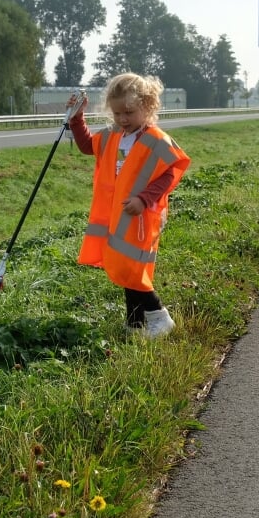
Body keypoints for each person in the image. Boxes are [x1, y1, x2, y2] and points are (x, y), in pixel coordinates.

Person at [66, 74, 191, 337]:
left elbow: (169, 174)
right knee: (124, 263)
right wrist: (77, 119)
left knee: (132, 266)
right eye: (117, 113)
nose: (123, 119)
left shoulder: (155, 139)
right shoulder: (113, 135)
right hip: (121, 213)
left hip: (142, 214)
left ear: (148, 106)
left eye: (129, 112)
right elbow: (88, 145)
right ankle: (135, 323)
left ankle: (159, 316)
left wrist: (144, 199)